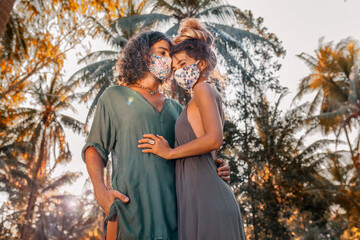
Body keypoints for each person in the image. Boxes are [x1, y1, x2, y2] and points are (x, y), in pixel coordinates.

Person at [82, 30, 231, 240]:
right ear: (143, 54)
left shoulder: (177, 110)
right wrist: (100, 190)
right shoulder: (113, 96)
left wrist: (219, 165)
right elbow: (95, 148)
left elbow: (200, 145)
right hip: (129, 209)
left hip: (175, 216)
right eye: (162, 52)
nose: (168, 61)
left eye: (170, 55)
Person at [138, 19, 246, 240]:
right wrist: (218, 163)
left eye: (183, 64)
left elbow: (214, 139)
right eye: (175, 67)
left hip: (207, 198)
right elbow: (206, 146)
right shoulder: (194, 99)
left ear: (201, 64)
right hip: (198, 196)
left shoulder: (203, 89)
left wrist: (169, 153)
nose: (178, 72)